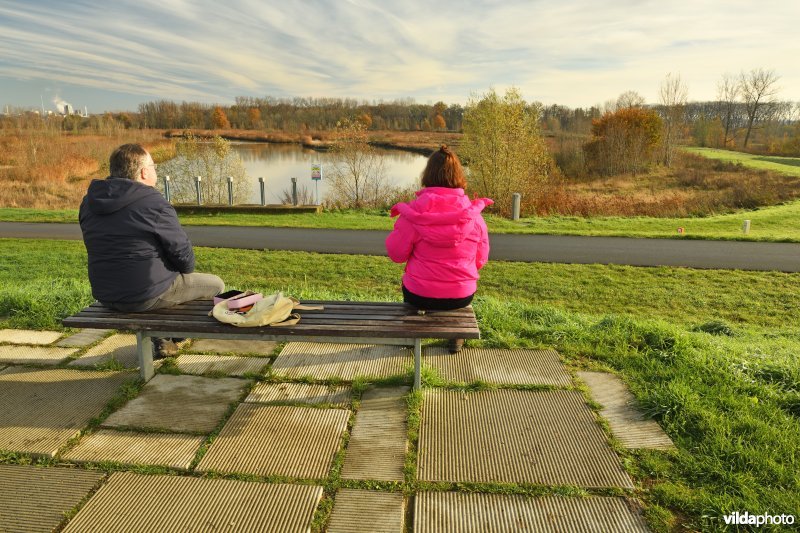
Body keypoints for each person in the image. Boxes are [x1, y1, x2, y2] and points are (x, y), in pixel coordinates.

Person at [79, 143, 225, 356]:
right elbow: (185, 260)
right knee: (215, 285)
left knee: (164, 283)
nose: (156, 170)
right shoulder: (153, 202)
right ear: (144, 172)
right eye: (154, 166)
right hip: (143, 295)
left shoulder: (89, 202)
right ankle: (167, 338)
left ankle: (162, 337)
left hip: (106, 294)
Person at [385, 145, 492, 353]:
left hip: (420, 294)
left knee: (411, 282)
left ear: (428, 175)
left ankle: (412, 336)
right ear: (458, 176)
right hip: (462, 294)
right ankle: (456, 335)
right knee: (459, 289)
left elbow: (396, 255)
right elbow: (481, 259)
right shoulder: (474, 216)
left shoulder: (415, 212)